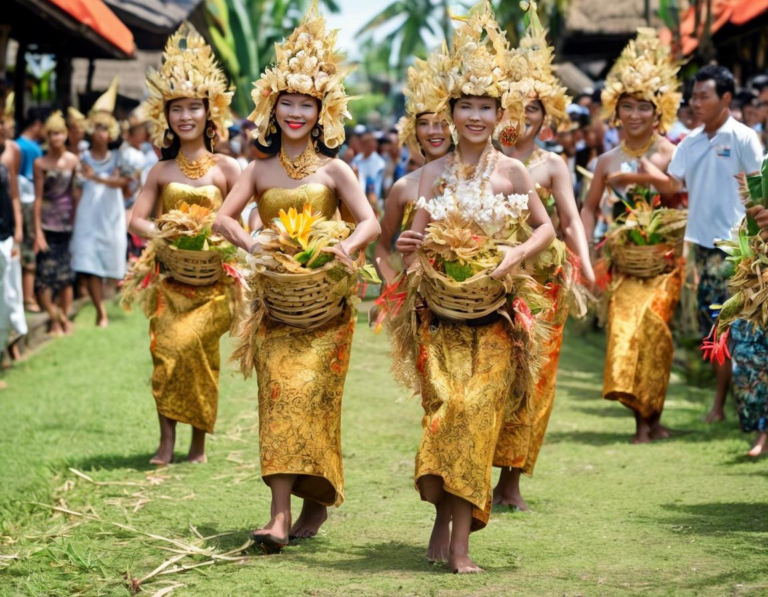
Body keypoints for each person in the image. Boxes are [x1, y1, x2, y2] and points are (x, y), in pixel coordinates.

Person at [395, 3, 555, 573]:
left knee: (476, 415)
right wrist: (416, 253)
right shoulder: (432, 175)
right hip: (441, 319)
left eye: (486, 107)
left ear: (499, 112)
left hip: (495, 320)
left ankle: (461, 543)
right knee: (446, 415)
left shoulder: (515, 172)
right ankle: (442, 515)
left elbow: (546, 229)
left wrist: (515, 253)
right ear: (452, 110)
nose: (475, 116)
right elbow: (411, 241)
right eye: (466, 106)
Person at [214, 4, 379, 551]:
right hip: (277, 306)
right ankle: (278, 515)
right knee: (279, 397)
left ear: (321, 112)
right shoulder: (256, 168)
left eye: (306, 103)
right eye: (287, 101)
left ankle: (315, 501)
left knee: (316, 400)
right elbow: (222, 217)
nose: (295, 112)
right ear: (272, 106)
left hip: (327, 306)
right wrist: (253, 242)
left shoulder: (336, 170)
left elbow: (370, 221)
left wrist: (342, 250)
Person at [493, 3, 594, 510]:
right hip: (489, 278)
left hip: (545, 282)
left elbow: (571, 219)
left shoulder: (553, 165)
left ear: (545, 115)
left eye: (533, 108)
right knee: (495, 372)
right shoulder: (485, 158)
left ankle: (511, 478)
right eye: (514, 107)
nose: (522, 117)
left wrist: (589, 266)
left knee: (534, 377)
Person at [128, 23, 241, 465]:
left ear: (208, 114)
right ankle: (166, 441)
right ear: (166, 116)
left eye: (194, 108)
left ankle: (198, 443)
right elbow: (135, 218)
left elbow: (241, 218)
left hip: (214, 285)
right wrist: (165, 233)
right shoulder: (160, 171)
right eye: (177, 109)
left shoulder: (228, 167)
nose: (186, 117)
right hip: (170, 280)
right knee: (166, 353)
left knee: (198, 352)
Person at [581, 30, 684, 443]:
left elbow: (673, 192)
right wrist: (586, 252)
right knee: (624, 333)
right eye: (628, 106)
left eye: (645, 107)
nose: (636, 114)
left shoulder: (672, 153)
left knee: (654, 331)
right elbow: (588, 208)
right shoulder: (605, 160)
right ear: (616, 112)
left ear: (658, 114)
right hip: (624, 262)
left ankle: (651, 419)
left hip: (663, 261)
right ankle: (641, 422)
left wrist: (638, 174)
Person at [664, 65, 764, 426]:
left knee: (740, 329)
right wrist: (630, 169)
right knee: (717, 330)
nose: (695, 102)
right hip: (703, 250)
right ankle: (723, 405)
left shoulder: (743, 137)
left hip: (741, 252)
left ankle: (738, 409)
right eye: (693, 96)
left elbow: (758, 193)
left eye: (703, 96)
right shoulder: (688, 142)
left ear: (725, 98)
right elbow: (670, 185)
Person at [374, 52, 453, 286]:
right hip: (415, 299)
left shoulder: (475, 180)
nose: (433, 132)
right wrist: (392, 284)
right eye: (424, 124)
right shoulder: (403, 187)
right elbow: (382, 244)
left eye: (442, 123)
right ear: (415, 132)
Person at [71, 78, 129, 328]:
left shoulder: (119, 156)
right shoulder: (81, 156)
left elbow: (125, 182)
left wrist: (97, 178)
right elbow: (76, 186)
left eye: (104, 129)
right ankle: (99, 311)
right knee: (88, 260)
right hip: (88, 215)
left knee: (110, 257)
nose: (99, 133)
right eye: (96, 128)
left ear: (111, 133)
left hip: (111, 215)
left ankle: (106, 302)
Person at [32, 111, 79, 336]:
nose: (55, 138)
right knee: (43, 279)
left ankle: (63, 320)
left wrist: (77, 220)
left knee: (65, 278)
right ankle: (55, 318)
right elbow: (38, 197)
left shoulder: (73, 161)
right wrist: (37, 230)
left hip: (67, 226)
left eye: (59, 133)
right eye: (51, 133)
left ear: (65, 134)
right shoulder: (40, 162)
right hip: (47, 226)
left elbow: (75, 193)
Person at [0, 114, 25, 384]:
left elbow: (14, 196)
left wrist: (19, 230)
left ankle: (8, 349)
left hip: (6, 237)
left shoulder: (8, 159)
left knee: (8, 297)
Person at [16, 106, 44, 314]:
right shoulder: (32, 149)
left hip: (15, 203)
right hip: (27, 202)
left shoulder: (15, 144)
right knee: (29, 248)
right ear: (37, 124)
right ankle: (28, 297)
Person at [350, 130, 385, 211]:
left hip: (374, 202)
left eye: (372, 143)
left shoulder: (379, 163)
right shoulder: (356, 160)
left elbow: (377, 185)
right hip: (357, 200)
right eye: (367, 143)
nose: (371, 145)